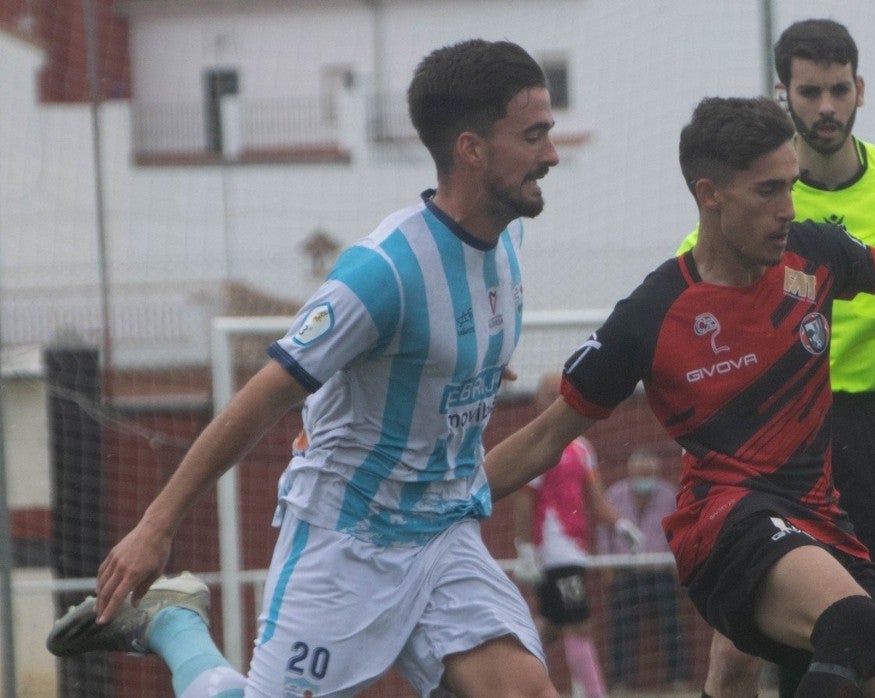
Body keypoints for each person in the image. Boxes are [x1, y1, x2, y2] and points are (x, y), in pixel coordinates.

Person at [487, 95, 875, 698]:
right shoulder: (651, 315)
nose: (788, 209)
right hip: (722, 527)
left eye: (791, 186)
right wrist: (444, 505)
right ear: (710, 194)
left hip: (819, 521)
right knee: (850, 620)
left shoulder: (814, 255)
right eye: (768, 192)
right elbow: (546, 437)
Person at [46, 38, 562, 698]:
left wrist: (467, 370)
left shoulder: (507, 238)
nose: (550, 154)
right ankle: (176, 625)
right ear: (472, 148)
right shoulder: (383, 273)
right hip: (348, 542)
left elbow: (447, 348)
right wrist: (155, 528)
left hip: (442, 537)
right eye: (534, 135)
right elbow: (260, 398)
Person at [677, 18, 875, 698]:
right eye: (810, 91)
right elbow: (695, 298)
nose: (825, 107)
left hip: (874, 423)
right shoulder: (755, 194)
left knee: (853, 630)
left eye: (838, 90)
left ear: (861, 91)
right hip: (770, 437)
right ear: (782, 93)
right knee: (737, 649)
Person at [510, 372, 644, 698]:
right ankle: (595, 694)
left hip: (576, 547)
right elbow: (523, 503)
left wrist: (621, 525)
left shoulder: (582, 448)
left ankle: (507, 682)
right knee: (578, 625)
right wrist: (525, 550)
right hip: (555, 551)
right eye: (550, 393)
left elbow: (596, 500)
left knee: (551, 626)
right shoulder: (537, 447)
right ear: (539, 401)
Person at [597, 448, 686, 691]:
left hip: (660, 570)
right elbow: (604, 531)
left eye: (648, 471)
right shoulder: (614, 494)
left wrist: (680, 563)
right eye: (640, 471)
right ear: (630, 471)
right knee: (621, 628)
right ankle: (621, 681)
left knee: (672, 626)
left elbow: (679, 531)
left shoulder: (669, 494)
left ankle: (677, 679)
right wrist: (606, 566)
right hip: (625, 570)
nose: (644, 475)